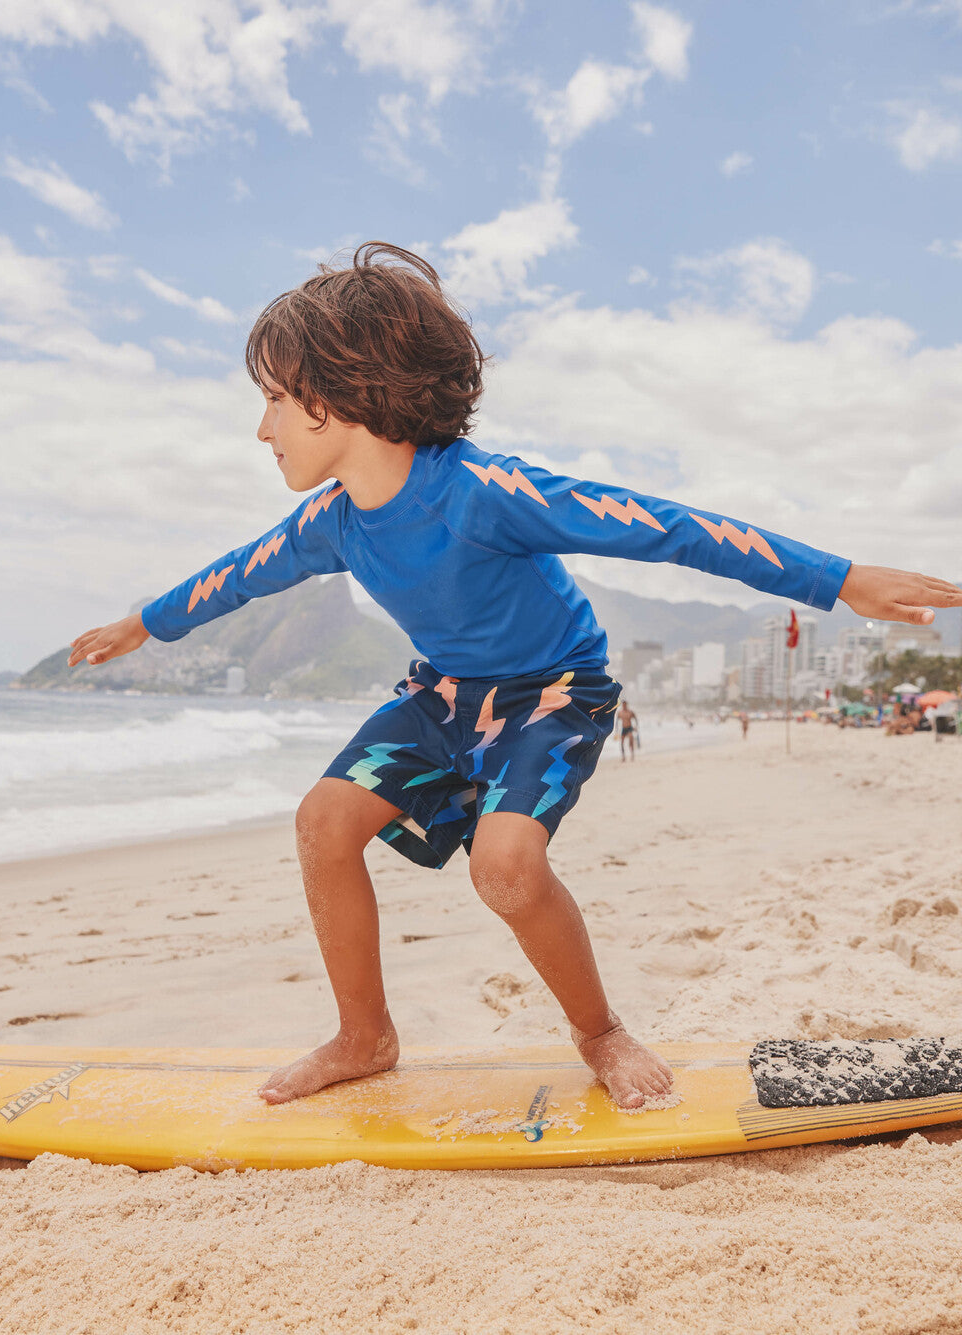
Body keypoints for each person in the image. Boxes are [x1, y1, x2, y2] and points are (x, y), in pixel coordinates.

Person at [67, 243, 962, 1113]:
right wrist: (142, 623)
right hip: (445, 693)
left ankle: (600, 1030)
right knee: (324, 821)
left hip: (554, 693)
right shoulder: (331, 522)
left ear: (337, 394)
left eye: (270, 399)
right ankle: (364, 1035)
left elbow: (664, 525)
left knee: (505, 866)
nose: (260, 427)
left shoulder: (482, 491)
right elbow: (237, 572)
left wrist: (839, 579)